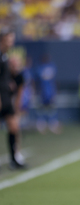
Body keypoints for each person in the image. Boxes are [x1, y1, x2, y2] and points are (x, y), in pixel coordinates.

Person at [0, 29, 26, 169]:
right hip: (1, 97)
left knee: (14, 126)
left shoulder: (4, 56)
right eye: (9, 39)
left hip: (6, 98)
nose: (11, 42)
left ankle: (13, 159)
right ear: (2, 39)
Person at [35, 54, 61, 134]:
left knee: (51, 108)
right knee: (43, 109)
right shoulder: (40, 68)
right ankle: (42, 125)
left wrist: (55, 91)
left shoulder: (51, 67)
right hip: (43, 91)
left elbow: (54, 80)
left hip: (50, 91)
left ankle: (52, 124)